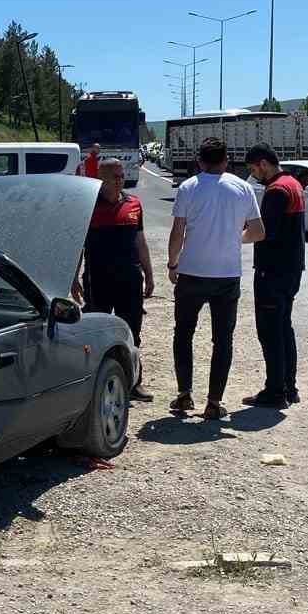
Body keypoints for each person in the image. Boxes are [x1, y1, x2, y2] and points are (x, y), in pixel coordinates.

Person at [166, 136, 264, 421]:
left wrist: (173, 264)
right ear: (226, 161)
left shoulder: (188, 187)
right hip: (226, 275)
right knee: (222, 340)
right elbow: (258, 232)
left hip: (192, 272)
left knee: (183, 333)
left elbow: (177, 233)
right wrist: (234, 238)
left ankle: (184, 394)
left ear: (199, 161)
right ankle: (213, 401)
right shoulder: (243, 188)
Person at [74, 158, 154, 400]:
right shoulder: (87, 206)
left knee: (132, 330)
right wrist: (73, 277)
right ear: (101, 179)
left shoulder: (134, 204)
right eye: (115, 176)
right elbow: (77, 244)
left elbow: (140, 241)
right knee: (95, 331)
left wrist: (149, 274)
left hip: (129, 277)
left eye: (121, 175)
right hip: (97, 278)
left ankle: (134, 382)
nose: (121, 180)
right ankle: (92, 383)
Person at [243, 144, 305, 409]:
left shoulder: (277, 190)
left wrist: (235, 237)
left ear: (264, 163)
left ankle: (275, 391)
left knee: (270, 332)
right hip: (291, 269)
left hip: (273, 271)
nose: (254, 174)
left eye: (253, 169)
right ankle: (289, 387)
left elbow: (264, 232)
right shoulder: (293, 183)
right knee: (283, 328)